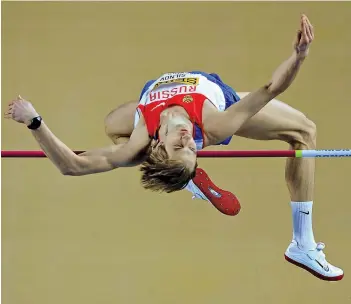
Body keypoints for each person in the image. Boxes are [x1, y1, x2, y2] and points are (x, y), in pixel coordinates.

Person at [5, 14, 343, 281]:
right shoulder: (214, 125)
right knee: (305, 132)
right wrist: (299, 57)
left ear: (158, 145)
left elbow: (71, 165)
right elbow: (269, 89)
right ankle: (303, 243)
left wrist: (35, 121)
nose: (186, 139)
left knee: (112, 127)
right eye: (192, 149)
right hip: (219, 99)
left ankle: (187, 178)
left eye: (180, 146)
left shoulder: (141, 140)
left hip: (153, 120)